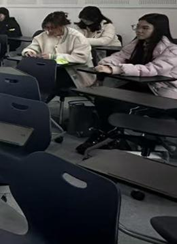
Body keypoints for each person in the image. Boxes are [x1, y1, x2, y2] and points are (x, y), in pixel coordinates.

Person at [76, 13, 177, 152]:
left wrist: (116, 69)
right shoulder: (137, 43)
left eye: (145, 28)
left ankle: (111, 137)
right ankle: (106, 135)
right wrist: (105, 64)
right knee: (103, 99)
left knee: (121, 107)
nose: (139, 31)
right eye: (137, 27)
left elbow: (152, 69)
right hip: (140, 87)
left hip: (161, 94)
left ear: (158, 29)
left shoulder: (172, 50)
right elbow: (119, 56)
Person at [22, 11, 94, 87]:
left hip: (73, 72)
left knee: (49, 81)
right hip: (50, 69)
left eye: (53, 28)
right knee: (29, 76)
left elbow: (80, 58)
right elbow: (33, 47)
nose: (49, 31)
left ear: (62, 26)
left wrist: (53, 57)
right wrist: (29, 52)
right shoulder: (42, 36)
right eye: (47, 28)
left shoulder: (77, 37)